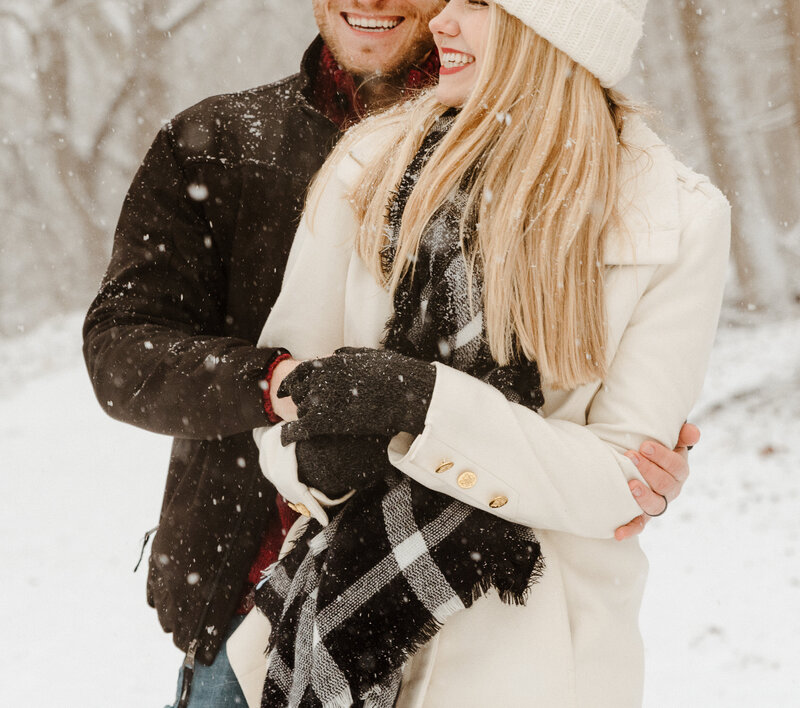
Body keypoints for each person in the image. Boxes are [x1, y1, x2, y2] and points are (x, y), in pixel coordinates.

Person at [81, 1, 699, 705]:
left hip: (516, 636)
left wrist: (437, 413)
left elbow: (610, 457)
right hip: (255, 595)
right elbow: (123, 349)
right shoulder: (225, 143)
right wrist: (288, 391)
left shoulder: (646, 200)